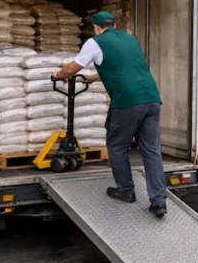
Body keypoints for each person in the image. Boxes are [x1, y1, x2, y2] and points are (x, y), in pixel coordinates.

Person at [53, 11, 167, 217]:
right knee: (152, 151)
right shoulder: (130, 39)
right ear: (113, 25)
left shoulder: (95, 42)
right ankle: (159, 202)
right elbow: (122, 68)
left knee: (117, 146)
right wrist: (93, 78)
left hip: (127, 101)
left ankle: (126, 191)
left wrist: (57, 74)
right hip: (151, 97)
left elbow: (71, 68)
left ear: (96, 27)